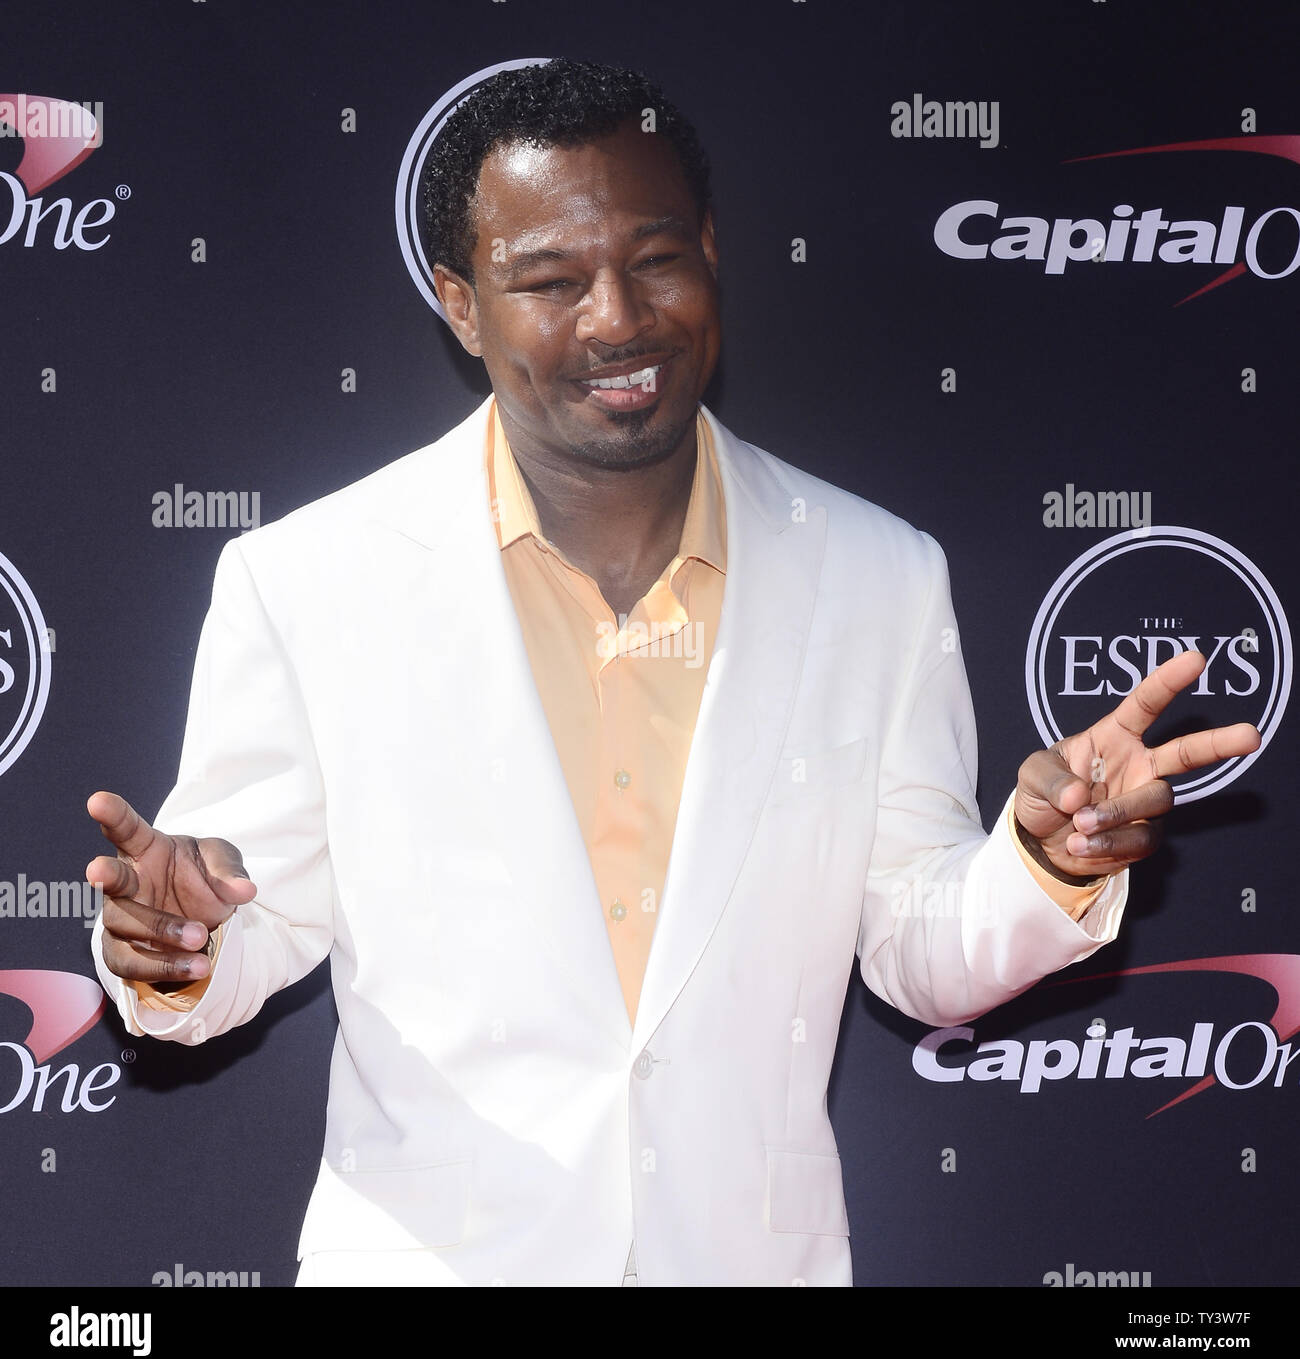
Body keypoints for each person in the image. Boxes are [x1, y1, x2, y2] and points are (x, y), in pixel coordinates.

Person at [86, 59, 1259, 1286]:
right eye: (547, 279)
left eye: (654, 260)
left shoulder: (878, 575)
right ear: (460, 302)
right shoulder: (308, 578)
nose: (616, 319)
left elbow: (917, 943)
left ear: (709, 250)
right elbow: (237, 928)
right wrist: (175, 943)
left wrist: (1045, 859)